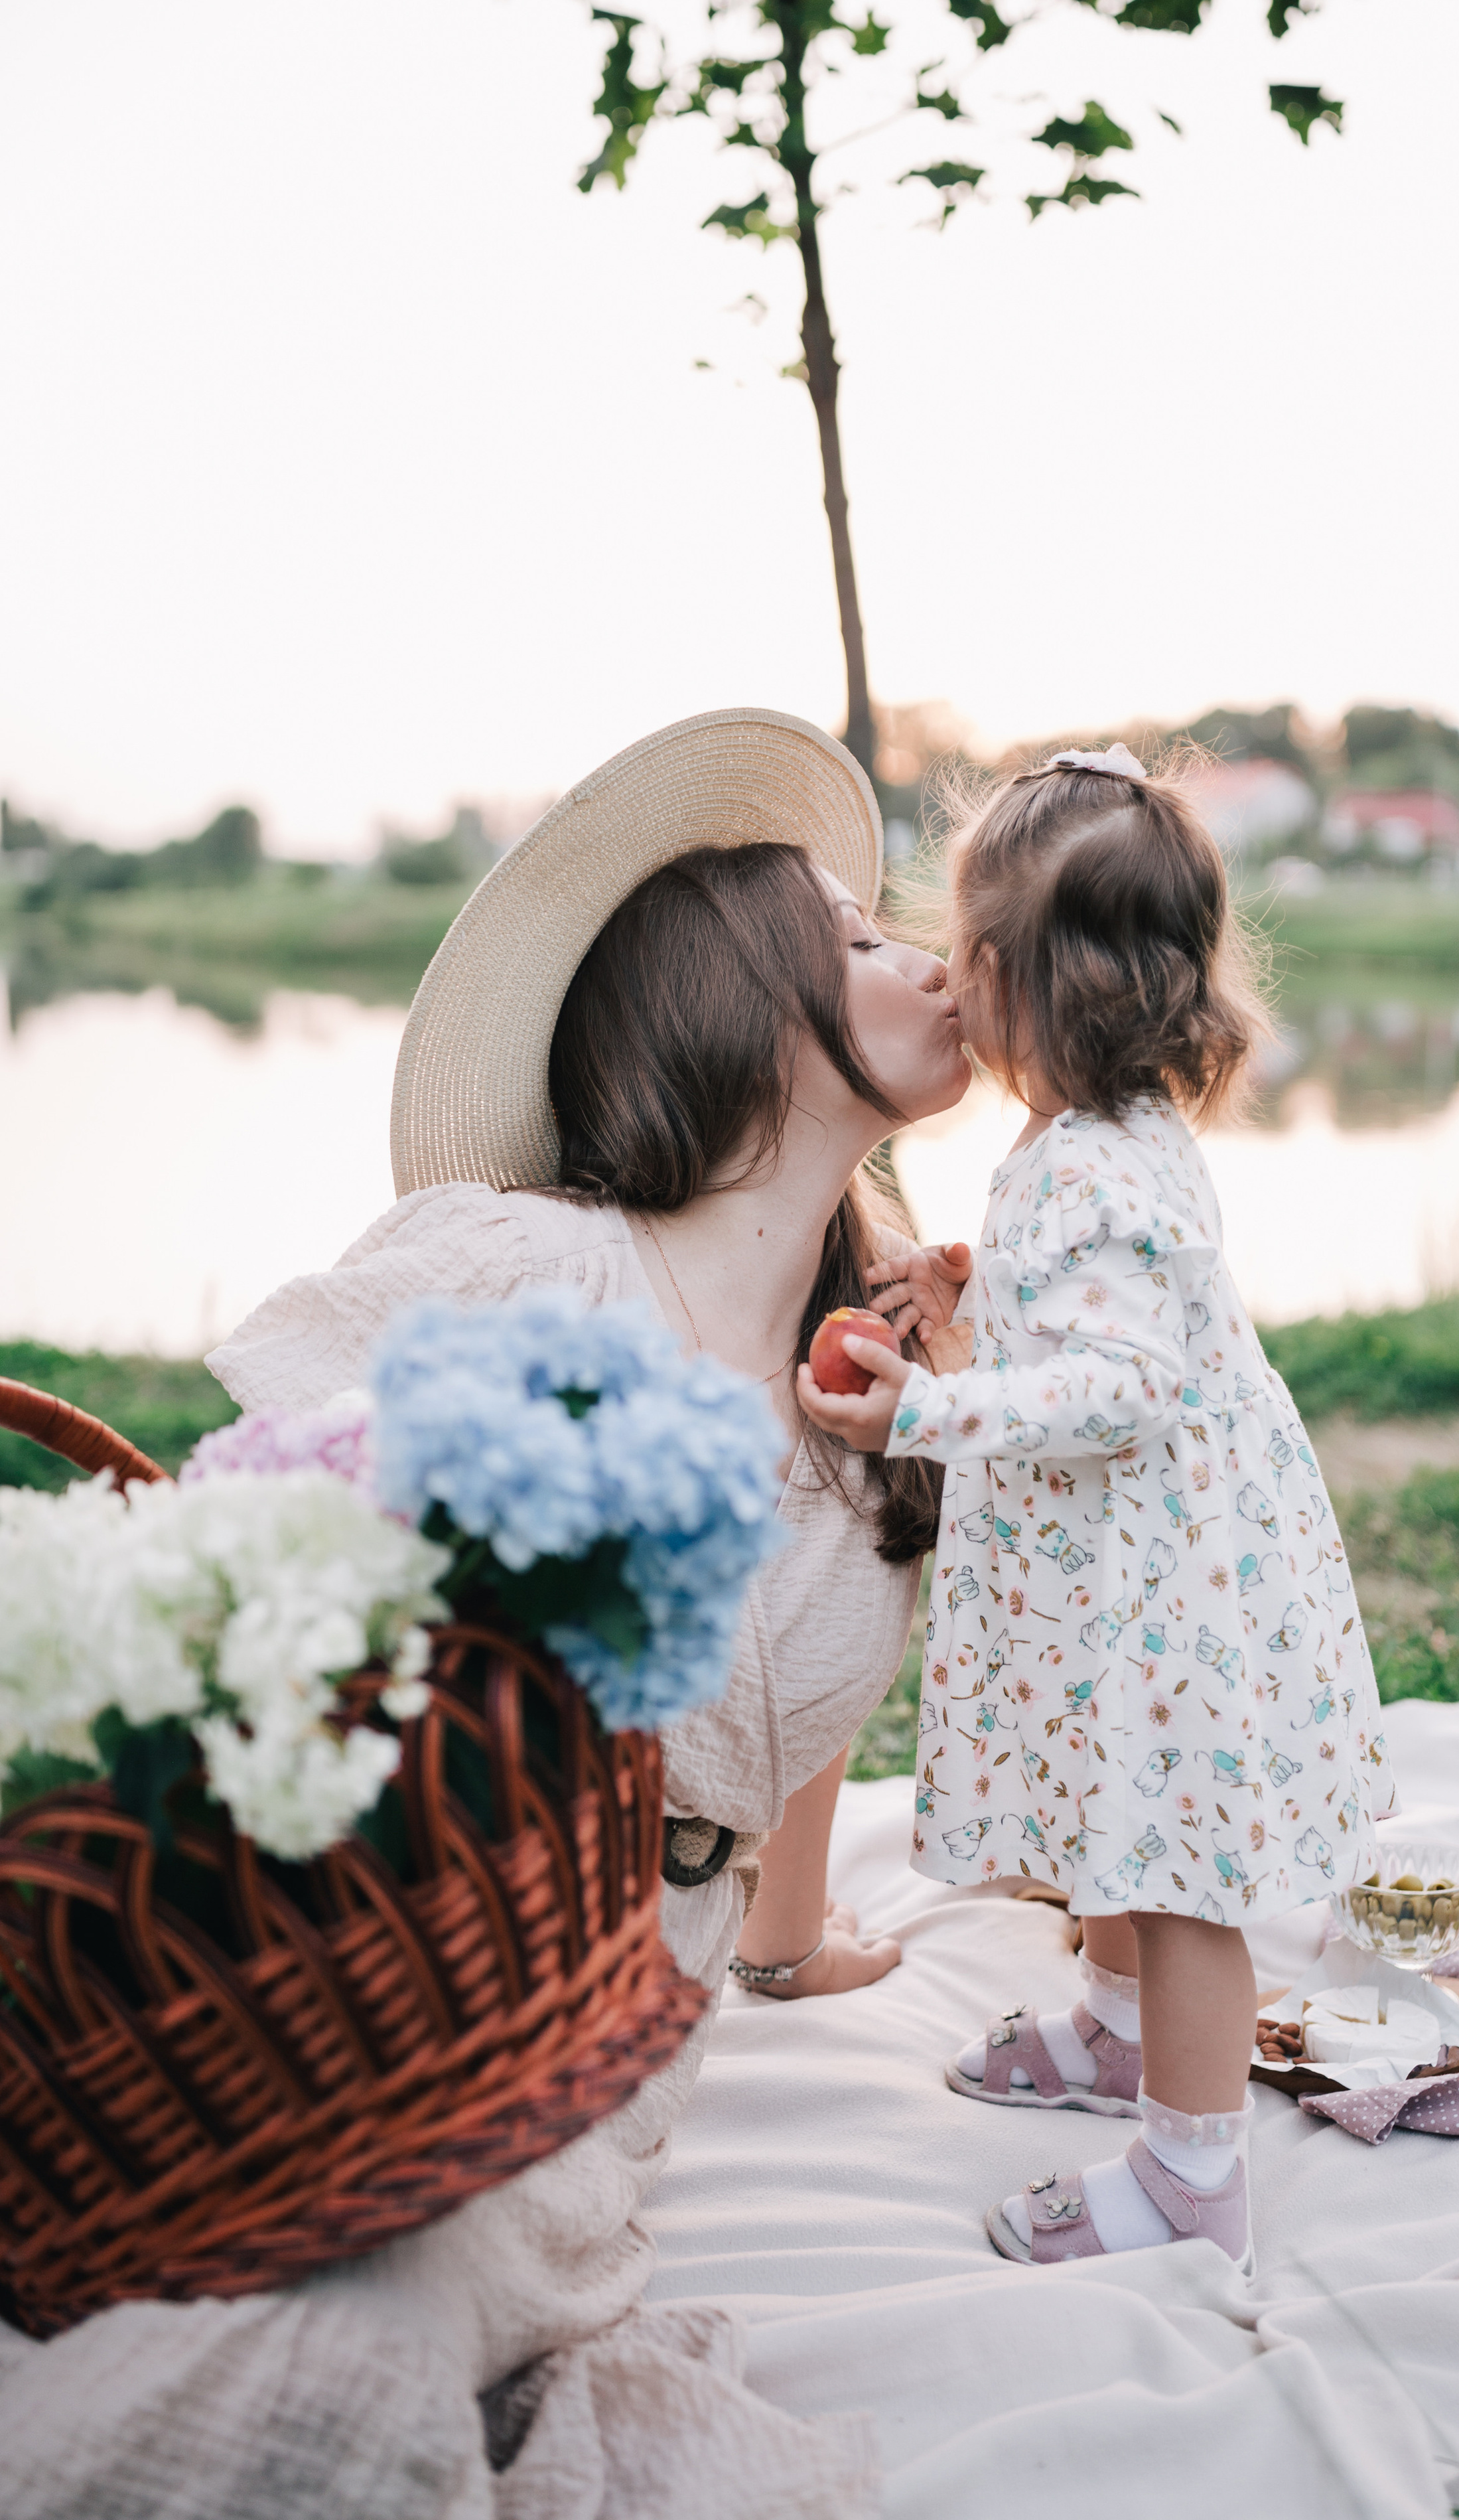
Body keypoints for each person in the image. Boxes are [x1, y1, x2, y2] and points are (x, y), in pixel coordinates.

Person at [208, 709, 971, 2029]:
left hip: (632, 2022)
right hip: (378, 1953)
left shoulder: (899, 1331)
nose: (930, 967)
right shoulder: (526, 1271)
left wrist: (780, 1946)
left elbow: (787, 1703)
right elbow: (256, 1509)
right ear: (728, 1008)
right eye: (854, 943)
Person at [801, 740, 1397, 2272]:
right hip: (1119, 1566)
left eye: (954, 949)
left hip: (1155, 1576)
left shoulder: (1092, 1167)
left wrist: (930, 1402)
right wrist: (973, 1287)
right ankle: (1120, 2029)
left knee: (1173, 1866)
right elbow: (1113, 1317)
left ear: (1004, 979)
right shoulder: (1091, 1146)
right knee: (1114, 1823)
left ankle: (1192, 2173)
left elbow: (1122, 1382)